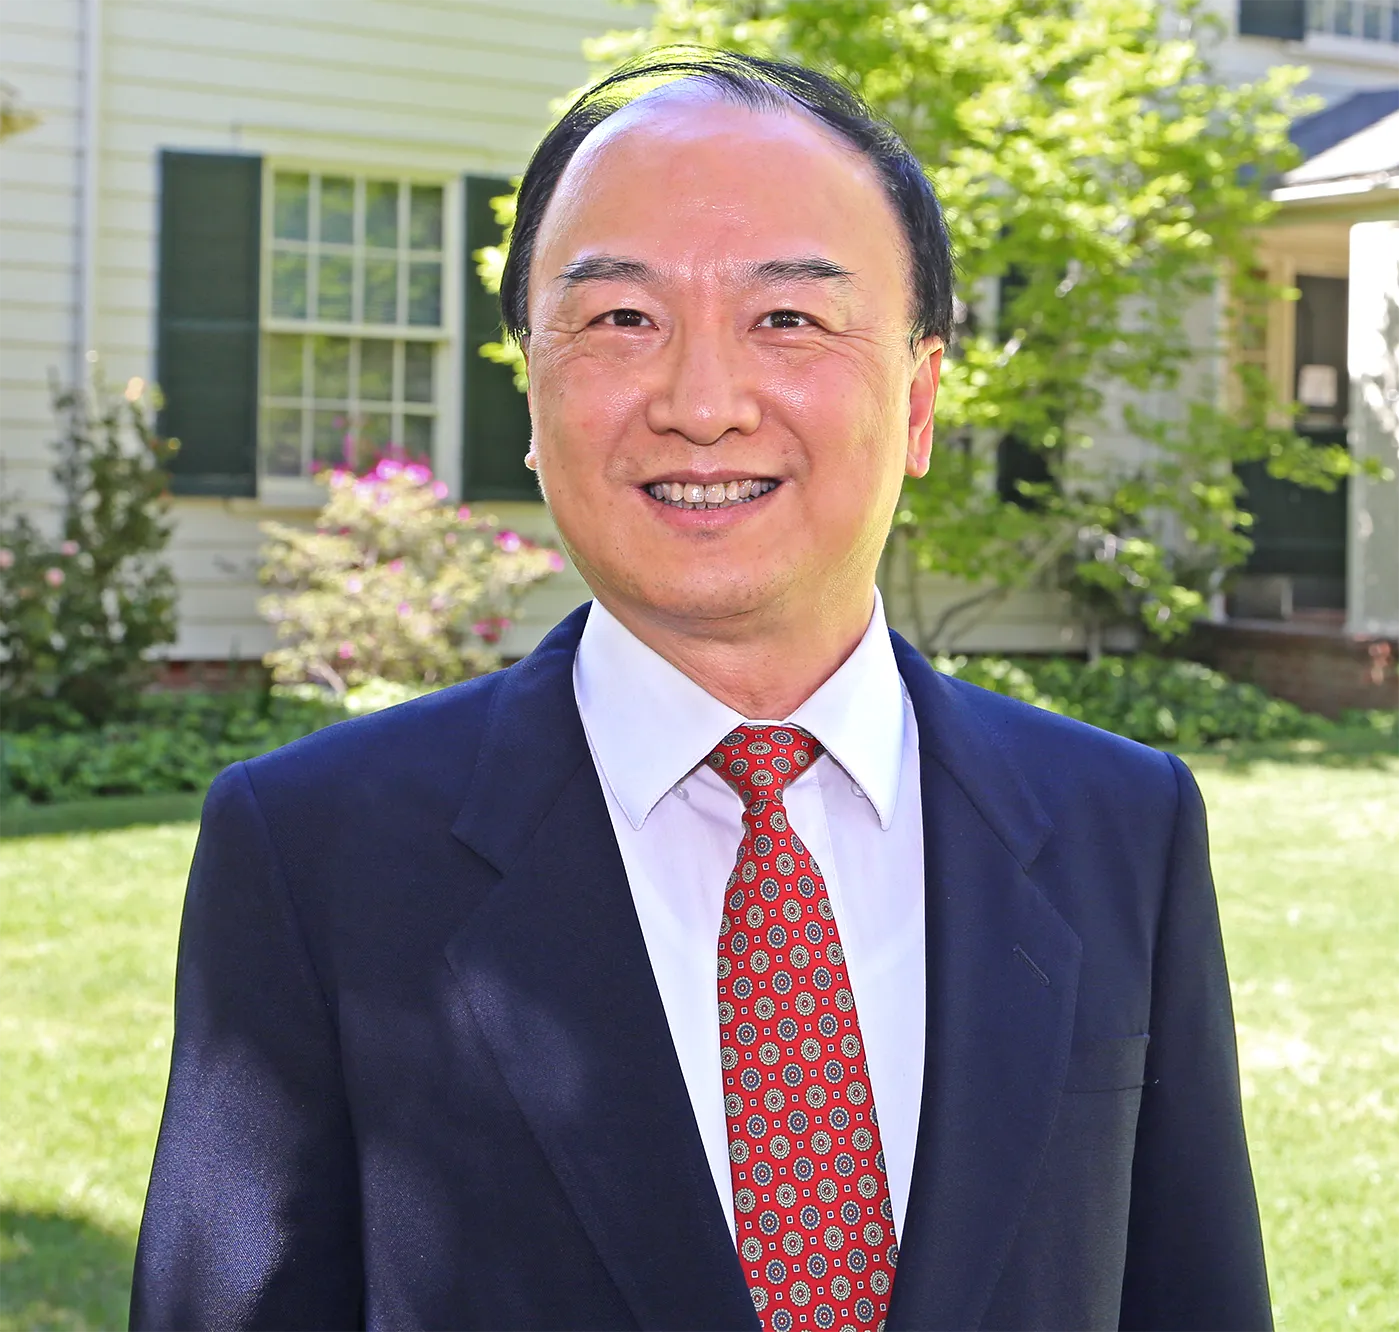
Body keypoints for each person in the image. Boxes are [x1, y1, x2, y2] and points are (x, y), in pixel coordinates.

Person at [131, 49, 1272, 1332]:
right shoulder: (310, 855)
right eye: (622, 319)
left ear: (919, 399)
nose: (700, 402)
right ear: (530, 388)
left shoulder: (1123, 827)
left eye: (787, 318)